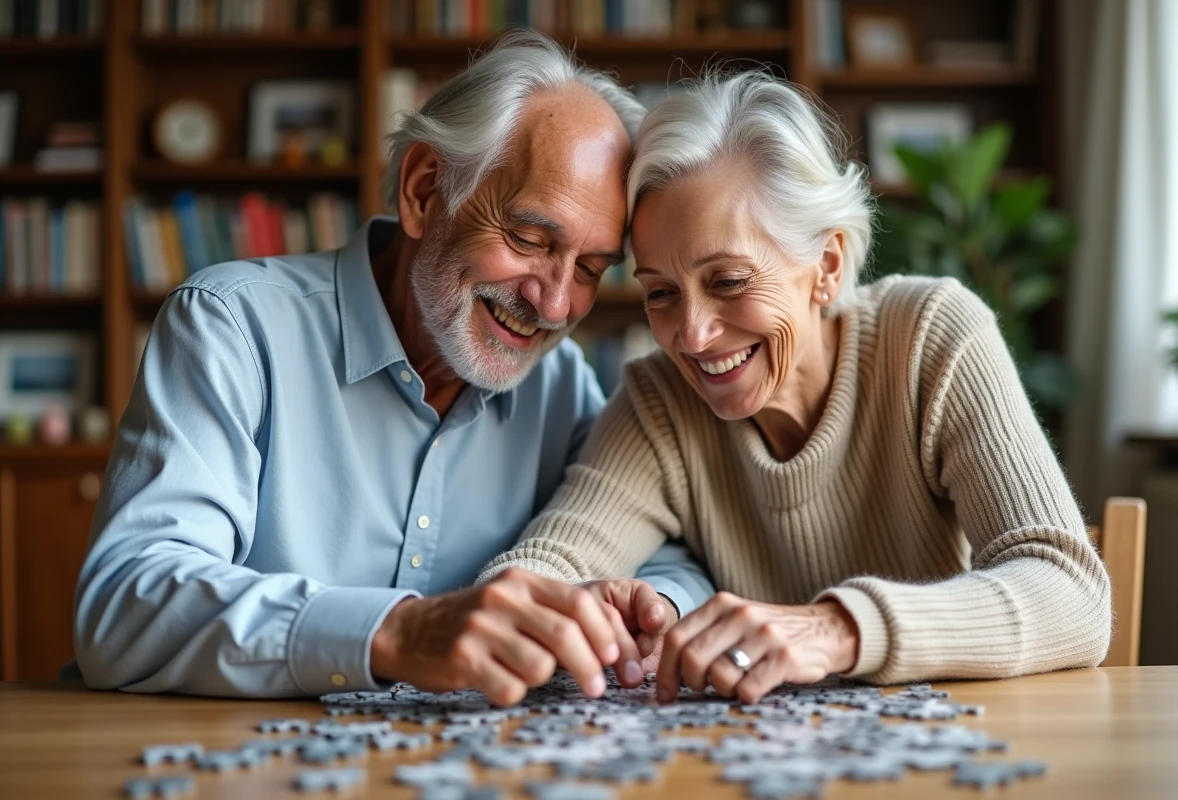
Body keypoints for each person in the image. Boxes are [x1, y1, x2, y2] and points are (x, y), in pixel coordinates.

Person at [71, 32, 714, 702]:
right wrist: (398, 632)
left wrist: (650, 606)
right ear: (424, 189)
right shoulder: (232, 326)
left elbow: (670, 558)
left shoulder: (562, 387)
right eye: (528, 239)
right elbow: (125, 604)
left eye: (588, 269)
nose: (553, 303)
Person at [479, 70, 1113, 703]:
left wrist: (836, 628)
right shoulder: (660, 399)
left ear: (827, 266)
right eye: (661, 293)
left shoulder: (930, 339)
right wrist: (565, 609)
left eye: (728, 281)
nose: (692, 337)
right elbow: (548, 565)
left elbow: (1072, 594)